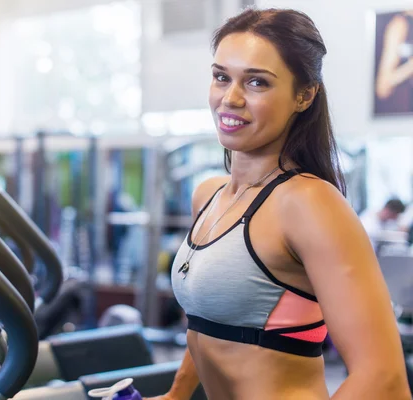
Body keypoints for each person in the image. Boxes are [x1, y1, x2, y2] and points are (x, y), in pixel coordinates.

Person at [145, 7, 410, 400]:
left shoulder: (308, 203)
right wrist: (176, 395)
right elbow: (208, 324)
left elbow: (383, 379)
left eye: (256, 82)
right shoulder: (209, 196)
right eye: (221, 77)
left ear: (304, 95)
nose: (230, 99)